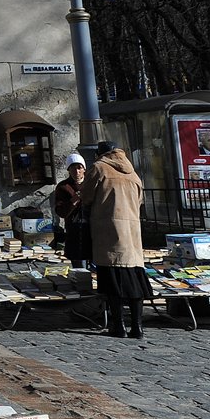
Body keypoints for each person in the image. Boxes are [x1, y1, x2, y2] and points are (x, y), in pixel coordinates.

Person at [80, 141, 153, 338]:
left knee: (112, 282)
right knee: (134, 279)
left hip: (108, 230)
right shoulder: (132, 172)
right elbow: (140, 200)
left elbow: (86, 196)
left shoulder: (99, 167)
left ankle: (118, 325)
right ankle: (137, 326)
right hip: (131, 232)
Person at [52, 153, 90, 269]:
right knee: (80, 265)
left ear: (84, 169)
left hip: (93, 228)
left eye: (79, 168)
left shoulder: (91, 184)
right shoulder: (64, 187)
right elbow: (61, 211)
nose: (77, 172)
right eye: (73, 169)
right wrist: (74, 200)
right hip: (75, 229)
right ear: (69, 171)